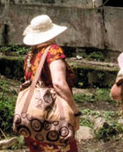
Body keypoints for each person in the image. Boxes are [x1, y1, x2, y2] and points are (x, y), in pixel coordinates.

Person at [20, 15, 81, 152]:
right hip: (52, 117)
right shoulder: (53, 51)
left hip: (35, 117)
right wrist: (74, 110)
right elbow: (59, 83)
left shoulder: (31, 55)